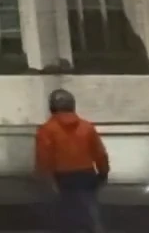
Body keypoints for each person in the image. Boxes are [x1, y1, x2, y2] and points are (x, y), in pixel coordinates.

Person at [35, 88, 110, 233]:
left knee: (64, 216)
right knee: (91, 211)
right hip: (86, 174)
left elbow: (44, 156)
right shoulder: (87, 127)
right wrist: (103, 172)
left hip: (61, 177)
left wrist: (45, 178)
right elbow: (99, 153)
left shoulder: (47, 129)